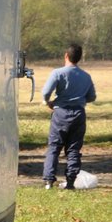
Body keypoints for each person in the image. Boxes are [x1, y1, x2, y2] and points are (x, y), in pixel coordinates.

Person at [41, 43, 98, 190]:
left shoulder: (58, 73)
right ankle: (71, 181)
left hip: (61, 113)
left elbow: (46, 92)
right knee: (73, 149)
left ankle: (48, 180)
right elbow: (92, 97)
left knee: (54, 146)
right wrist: (79, 99)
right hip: (79, 114)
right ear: (79, 58)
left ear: (66, 55)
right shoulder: (86, 76)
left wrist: (49, 102)